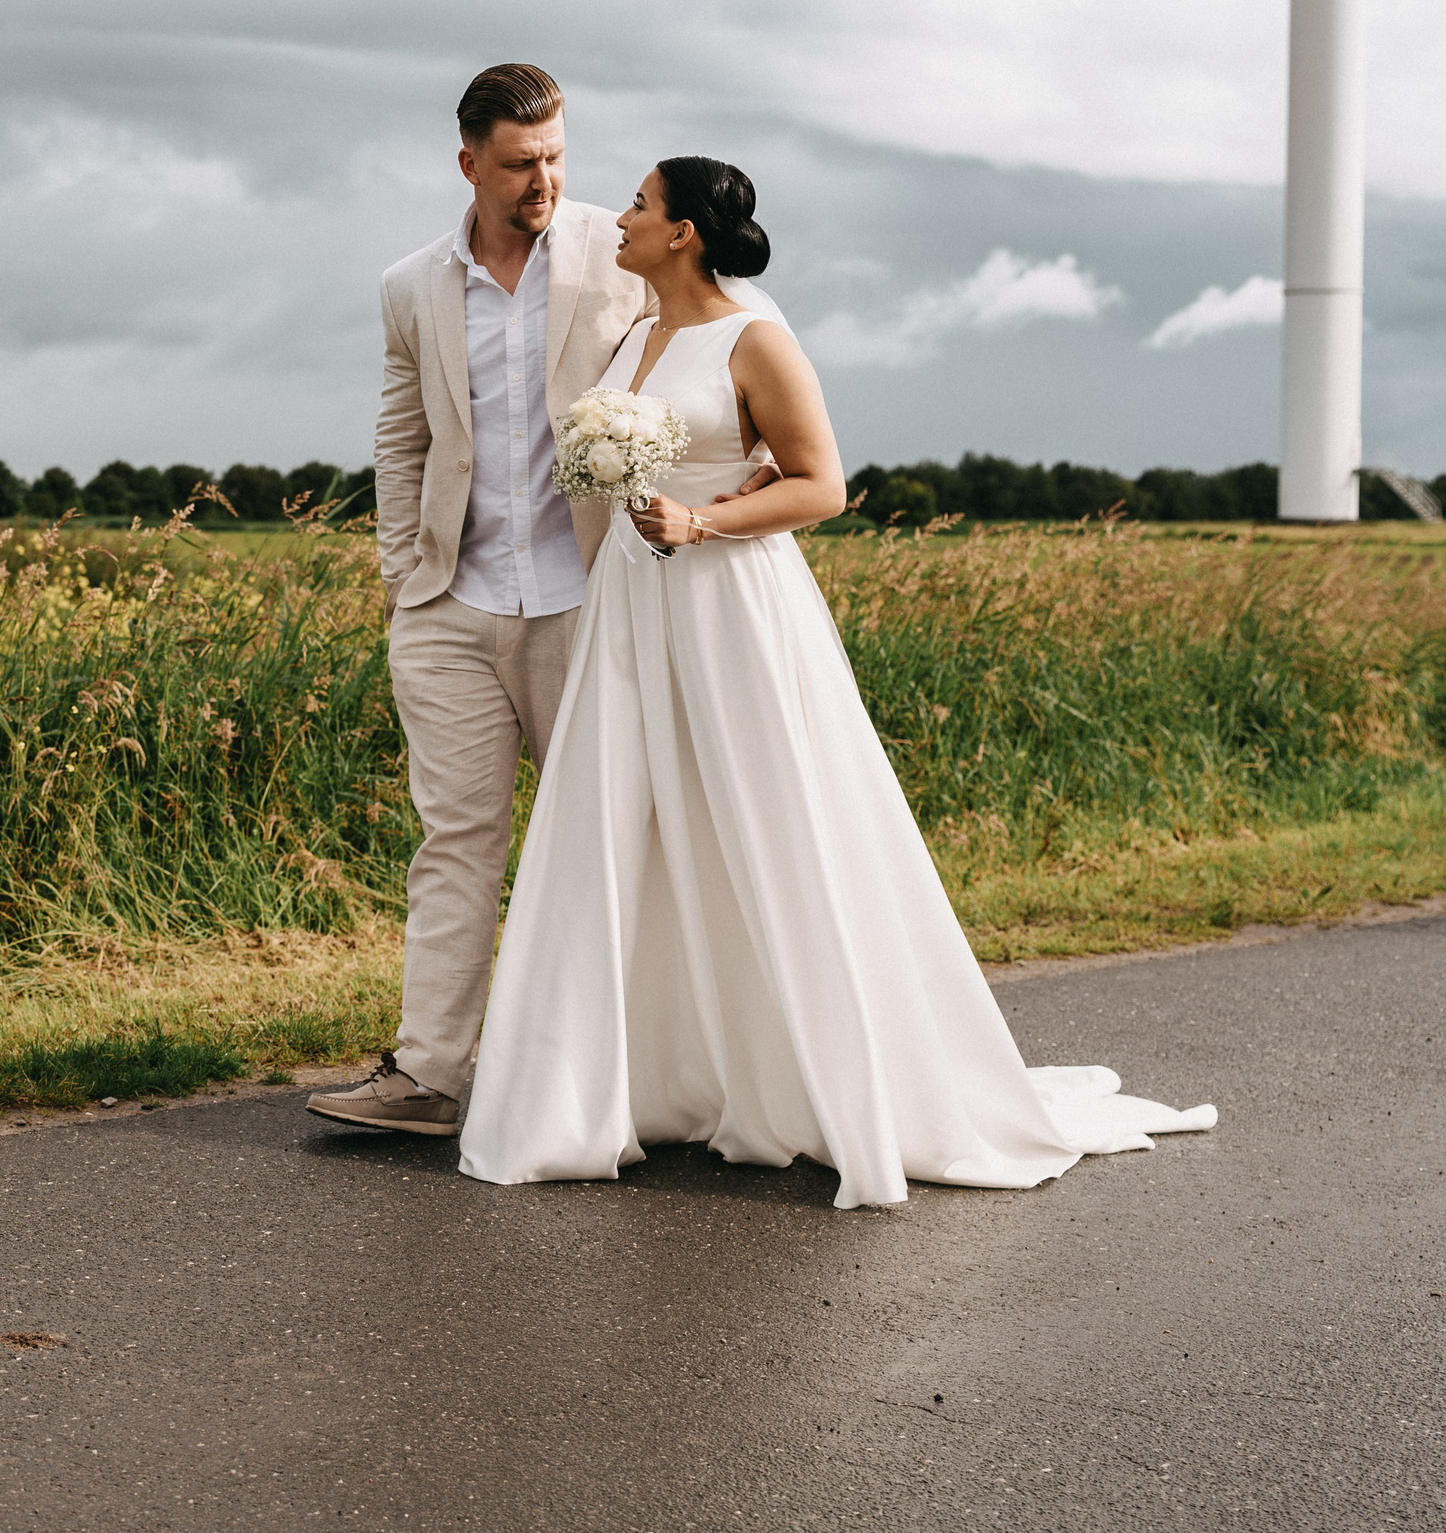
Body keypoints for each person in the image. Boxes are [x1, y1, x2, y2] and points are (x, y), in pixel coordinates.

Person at [453, 155, 1214, 1206]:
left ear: (682, 232)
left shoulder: (755, 336)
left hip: (727, 603)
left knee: (765, 818)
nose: (620, 217)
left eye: (638, 202)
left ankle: (818, 1071)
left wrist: (703, 517)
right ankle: (648, 1075)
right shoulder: (634, 334)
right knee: (631, 827)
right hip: (635, 602)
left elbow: (824, 483)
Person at [308, 66, 769, 1134]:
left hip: (593, 600)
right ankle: (425, 1073)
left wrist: (736, 476)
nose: (545, 181)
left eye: (557, 155)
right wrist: (399, 583)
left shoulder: (629, 249)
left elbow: (729, 345)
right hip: (450, 607)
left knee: (615, 838)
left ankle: (621, 1075)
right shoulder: (410, 285)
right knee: (454, 839)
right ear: (468, 163)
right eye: (520, 164)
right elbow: (399, 436)